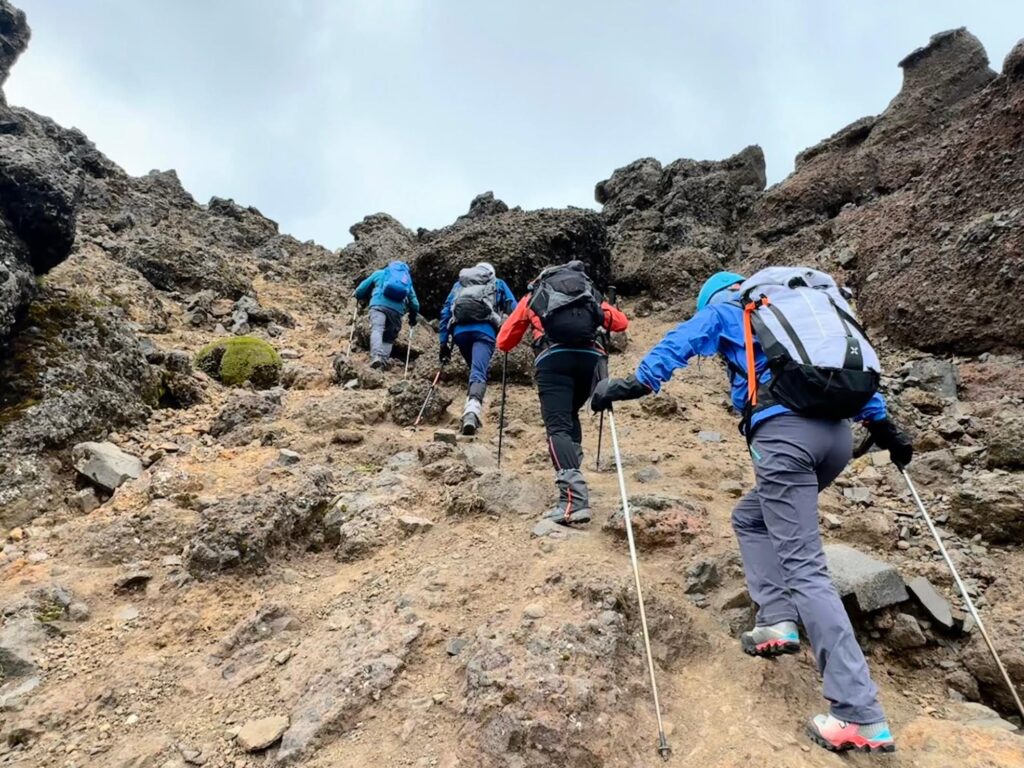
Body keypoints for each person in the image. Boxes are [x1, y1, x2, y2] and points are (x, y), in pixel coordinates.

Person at [591, 270, 913, 754]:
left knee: (806, 568)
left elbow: (682, 340)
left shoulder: (730, 308)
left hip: (785, 437)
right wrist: (886, 428)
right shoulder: (804, 315)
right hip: (837, 439)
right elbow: (847, 374)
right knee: (751, 517)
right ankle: (777, 620)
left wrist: (636, 383)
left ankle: (858, 714)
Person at [497, 260, 628, 525]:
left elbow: (504, 341)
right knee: (569, 417)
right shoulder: (587, 293)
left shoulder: (537, 294)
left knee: (557, 428)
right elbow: (620, 323)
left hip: (553, 361)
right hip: (591, 361)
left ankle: (573, 501)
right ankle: (574, 473)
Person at [438, 262, 517, 435]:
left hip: (460, 333)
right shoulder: (497, 283)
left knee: (475, 370)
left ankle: (471, 405)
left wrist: (444, 342)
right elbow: (513, 307)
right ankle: (471, 413)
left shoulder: (460, 284)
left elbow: (445, 312)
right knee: (478, 373)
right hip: (484, 331)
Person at [354, 261, 420, 369]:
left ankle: (376, 357)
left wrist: (357, 295)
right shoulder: (406, 281)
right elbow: (415, 304)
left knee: (377, 329)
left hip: (378, 305)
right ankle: (382, 365)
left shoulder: (380, 273)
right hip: (396, 312)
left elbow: (362, 288)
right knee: (389, 338)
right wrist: (412, 318)